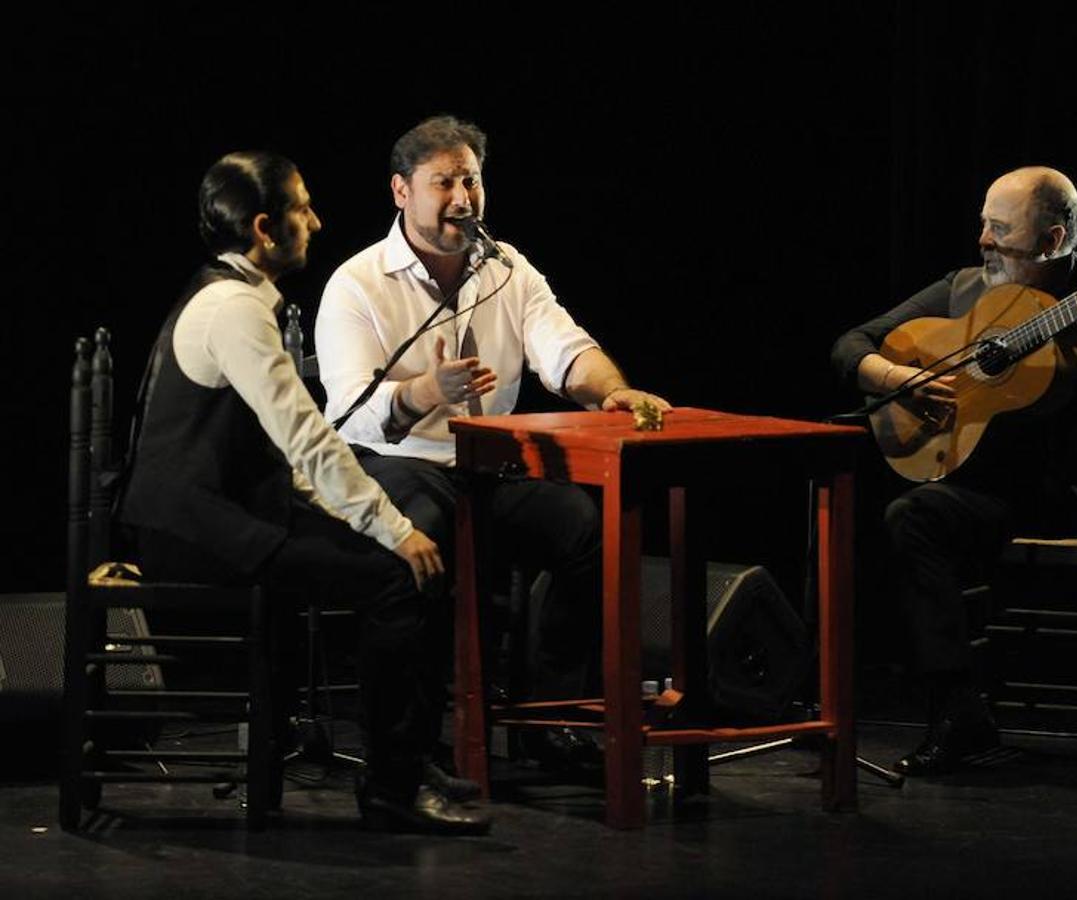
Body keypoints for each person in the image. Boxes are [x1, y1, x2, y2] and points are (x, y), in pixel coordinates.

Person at [118, 151, 491, 832]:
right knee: (396, 577)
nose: (316, 222)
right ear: (264, 227)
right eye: (302, 209)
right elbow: (307, 439)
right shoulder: (233, 310)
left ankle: (402, 759)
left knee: (397, 563)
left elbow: (282, 453)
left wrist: (351, 516)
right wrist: (391, 528)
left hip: (230, 515)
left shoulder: (232, 296)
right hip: (198, 533)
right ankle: (392, 786)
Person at [831, 166, 1077, 788]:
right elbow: (851, 345)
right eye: (984, 222)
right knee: (911, 517)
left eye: (999, 228)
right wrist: (901, 379)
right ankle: (958, 712)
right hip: (997, 488)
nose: (982, 239)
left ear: (1053, 240)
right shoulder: (963, 288)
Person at [315, 116, 668, 763]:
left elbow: (564, 348)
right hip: (393, 462)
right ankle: (406, 752)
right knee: (415, 540)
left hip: (487, 469)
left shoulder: (508, 268)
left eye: (471, 181)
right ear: (401, 191)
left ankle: (547, 720)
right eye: (443, 182)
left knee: (584, 529)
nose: (462, 198)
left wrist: (609, 390)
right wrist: (424, 392)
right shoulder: (356, 284)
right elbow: (348, 412)